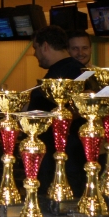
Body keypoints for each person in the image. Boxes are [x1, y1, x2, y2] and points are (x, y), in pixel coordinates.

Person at [28, 25, 86, 196]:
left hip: (65, 159)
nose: (35, 54)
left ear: (45, 46)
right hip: (62, 155)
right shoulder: (70, 70)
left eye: (36, 48)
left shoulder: (67, 72)